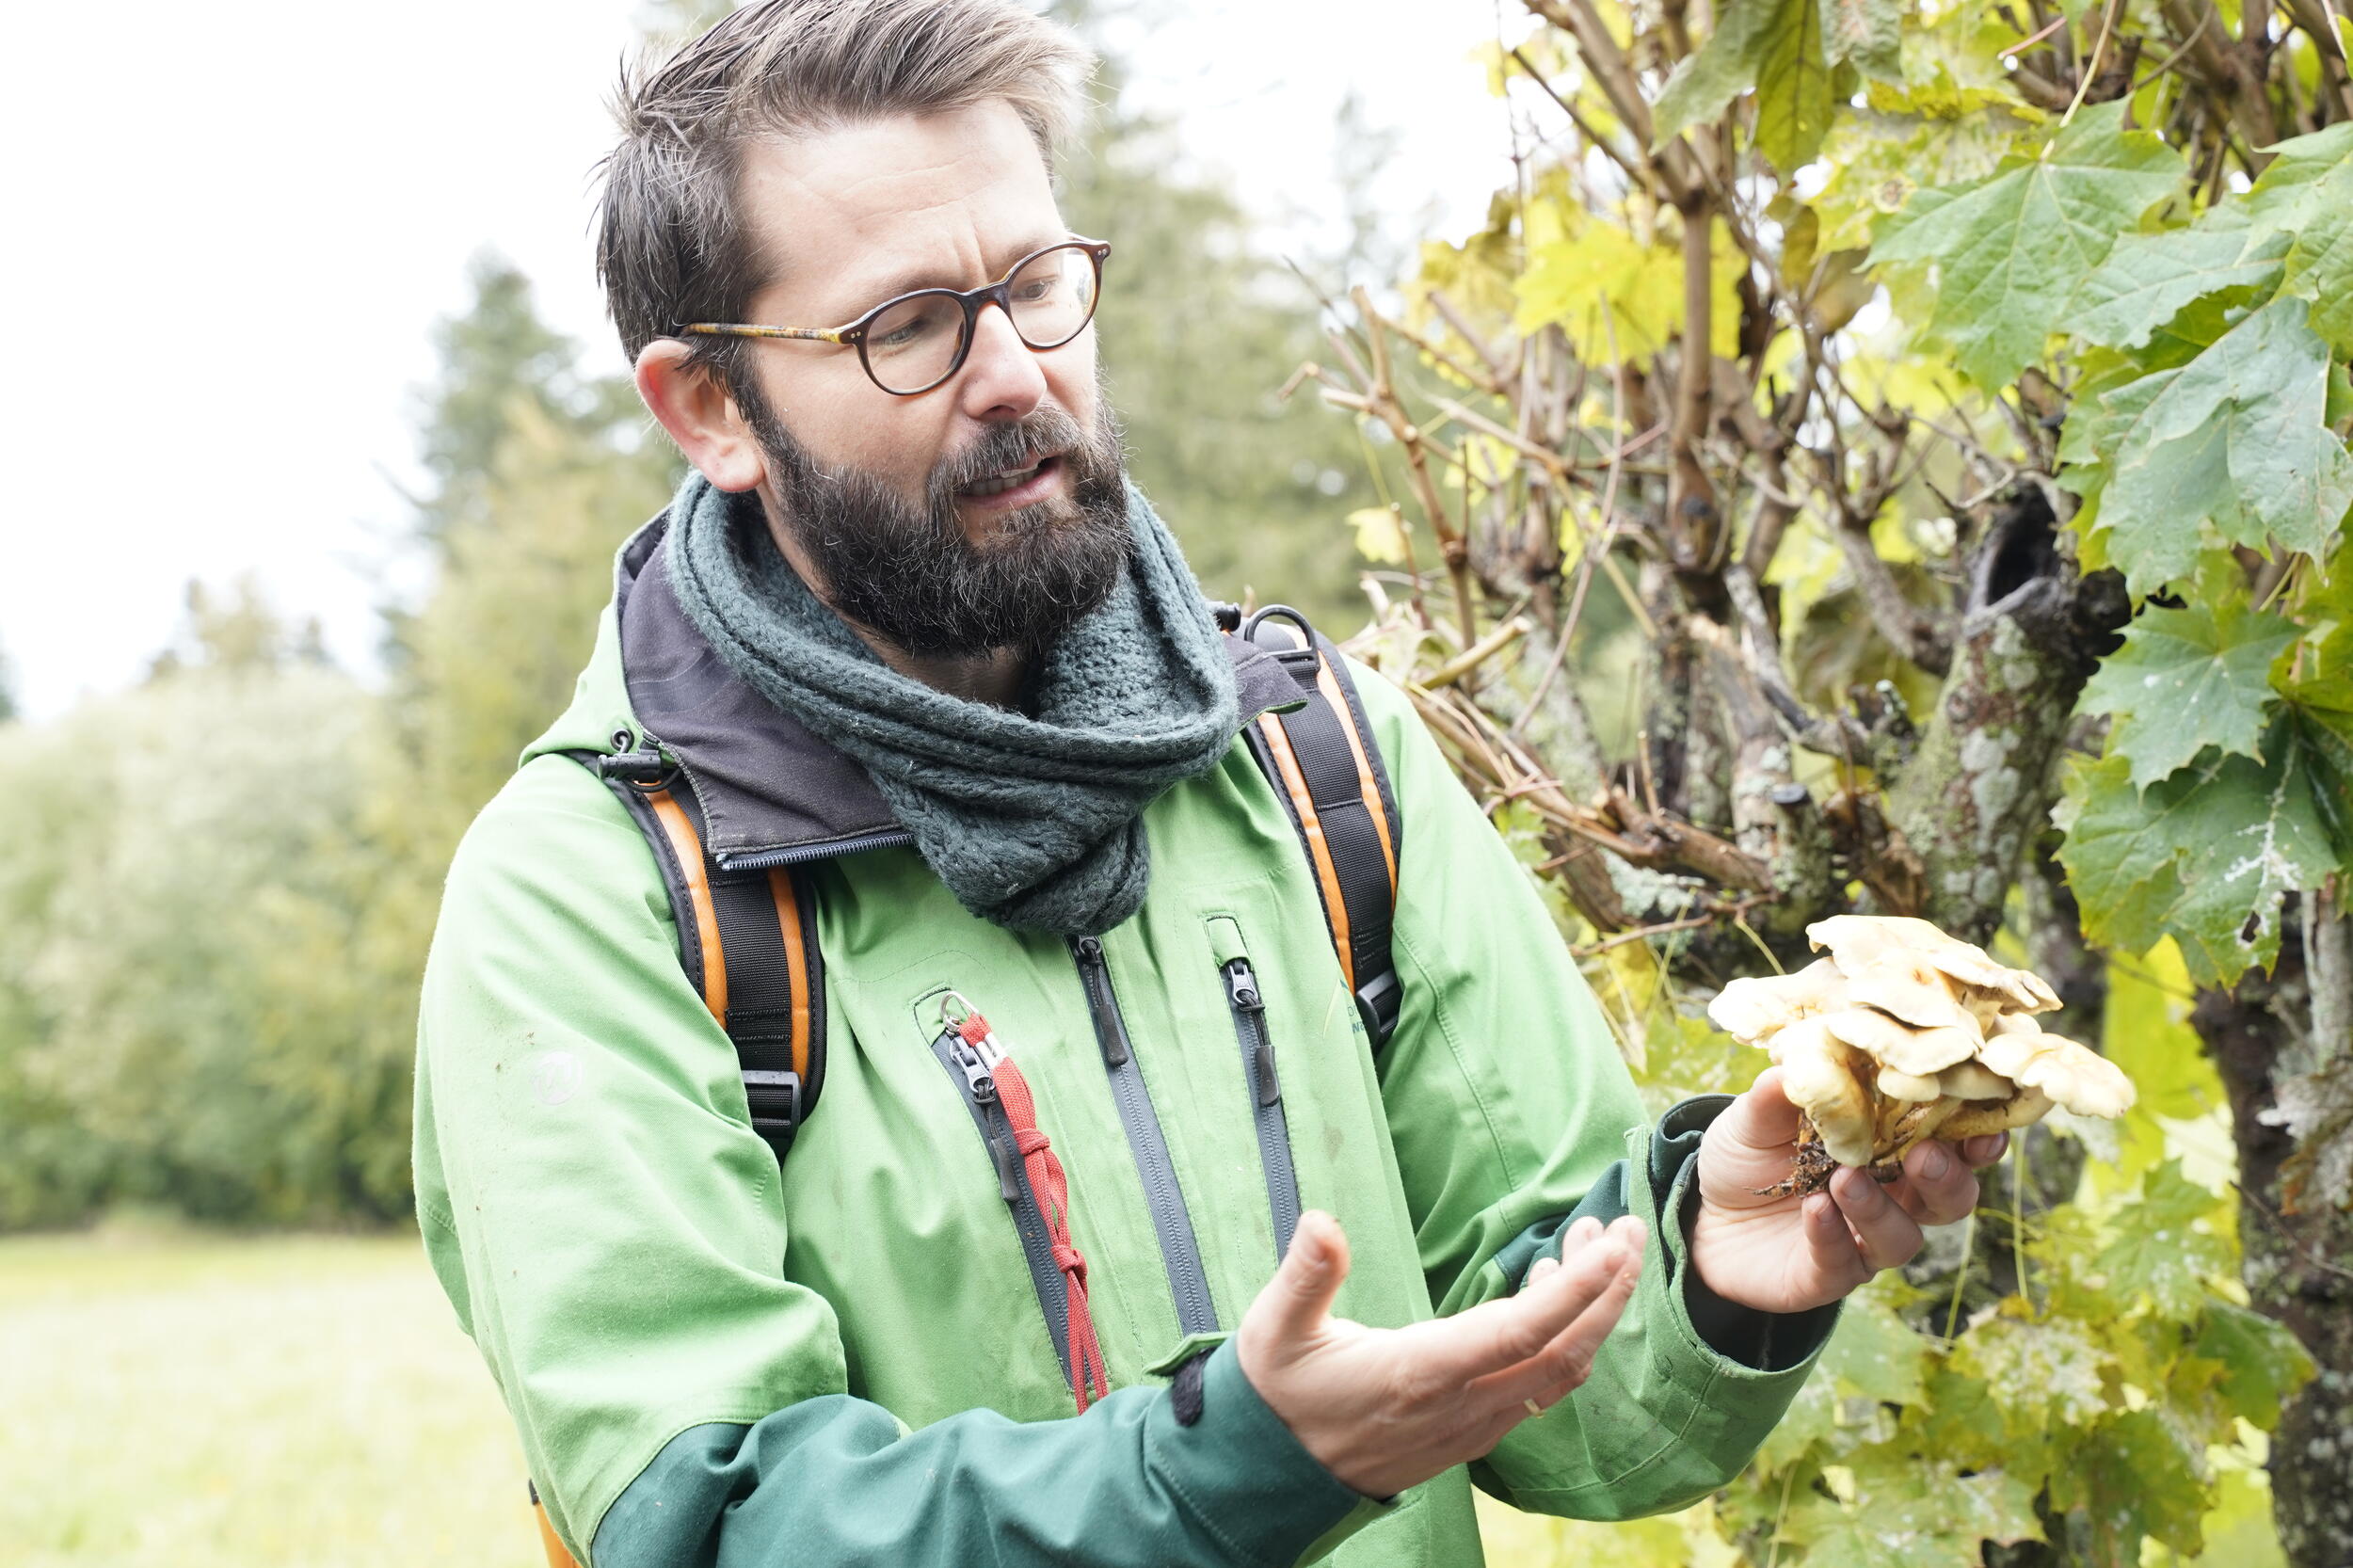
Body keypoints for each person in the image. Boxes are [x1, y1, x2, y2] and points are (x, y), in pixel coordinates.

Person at [410, 2, 2004, 1564]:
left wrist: (1702, 1275)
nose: (1016, 371)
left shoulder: (1325, 762)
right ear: (710, 409)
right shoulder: (595, 898)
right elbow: (719, 1520)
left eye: (1039, 284)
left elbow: (1545, 1362)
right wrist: (1228, 1469)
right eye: (907, 326)